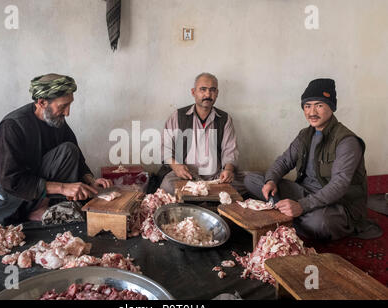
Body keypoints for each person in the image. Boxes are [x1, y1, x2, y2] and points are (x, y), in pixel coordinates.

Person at [244, 78, 382, 241]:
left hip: (337, 204)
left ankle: (285, 215)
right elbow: (284, 161)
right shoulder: (305, 135)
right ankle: (291, 216)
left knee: (321, 223)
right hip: (304, 193)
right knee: (251, 179)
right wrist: (271, 180)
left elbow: (339, 185)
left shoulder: (347, 141)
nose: (312, 112)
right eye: (307, 106)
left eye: (319, 105)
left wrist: (301, 206)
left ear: (332, 107)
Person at [0, 74, 112, 224]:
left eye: (69, 105)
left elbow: (77, 157)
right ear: (42, 102)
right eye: (62, 106)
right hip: (7, 201)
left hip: (35, 190)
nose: (67, 112)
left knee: (69, 150)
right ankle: (34, 211)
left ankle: (40, 207)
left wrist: (91, 180)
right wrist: (63, 188)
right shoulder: (11, 127)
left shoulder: (56, 120)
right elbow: (12, 182)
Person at [157, 72, 247, 196]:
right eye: (203, 89)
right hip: (186, 175)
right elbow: (165, 148)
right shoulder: (178, 116)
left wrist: (228, 170)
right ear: (193, 92)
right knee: (166, 186)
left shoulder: (224, 119)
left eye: (212, 90)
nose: (208, 94)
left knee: (250, 181)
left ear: (217, 93)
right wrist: (176, 166)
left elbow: (229, 150)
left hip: (216, 177)